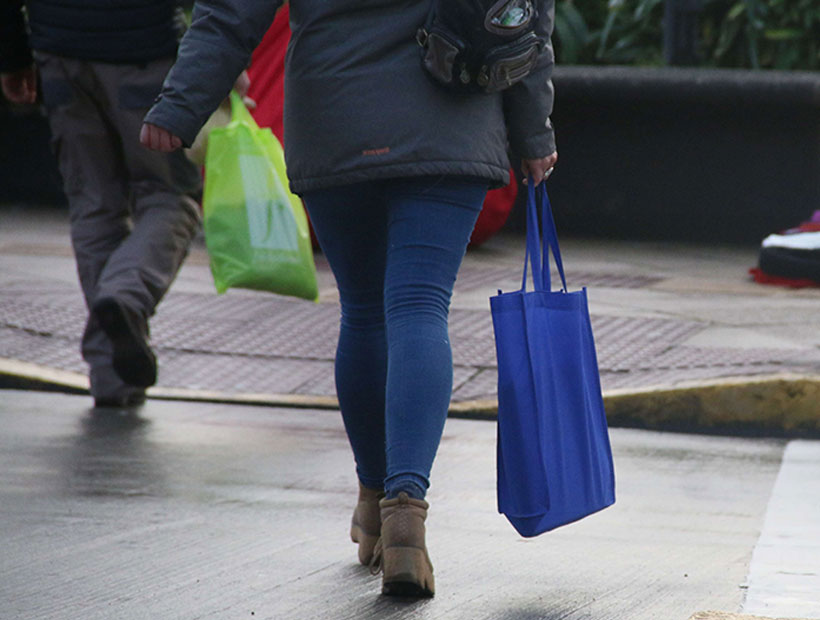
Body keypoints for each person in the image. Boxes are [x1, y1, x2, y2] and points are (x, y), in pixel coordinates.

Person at [140, 0, 558, 597]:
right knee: (419, 306)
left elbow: (231, 12)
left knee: (364, 310)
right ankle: (405, 514)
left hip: (335, 115)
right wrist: (534, 130)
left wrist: (180, 107)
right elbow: (523, 14)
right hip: (452, 112)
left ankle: (371, 500)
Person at [0, 1, 203, 408]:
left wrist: (13, 56)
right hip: (145, 52)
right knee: (170, 196)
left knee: (94, 206)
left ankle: (112, 379)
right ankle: (127, 294)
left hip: (59, 55)